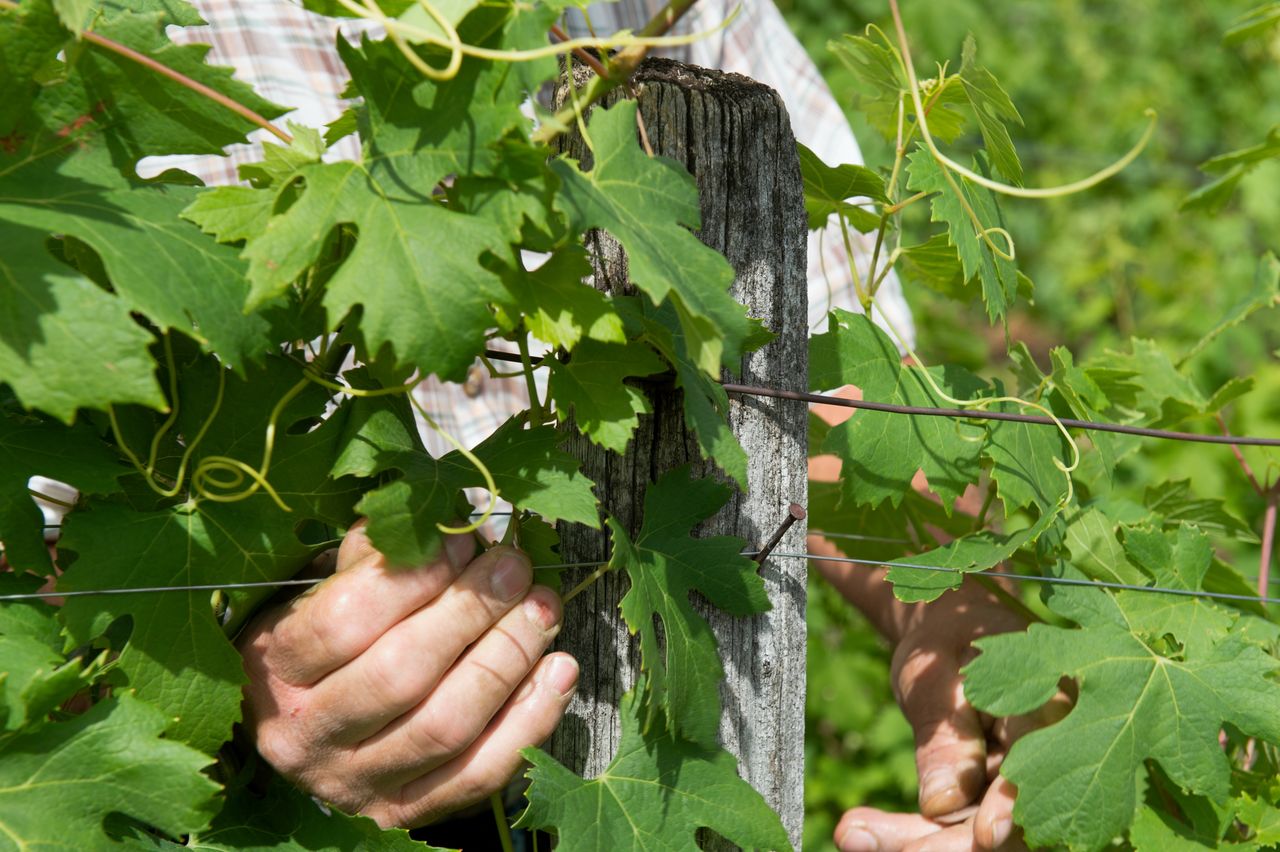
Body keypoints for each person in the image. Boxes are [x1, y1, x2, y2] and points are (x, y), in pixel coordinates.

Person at [144, 1, 1047, 848]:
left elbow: (823, 381)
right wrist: (223, 677)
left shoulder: (674, 12)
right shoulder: (111, 37)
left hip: (640, 757)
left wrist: (954, 597)